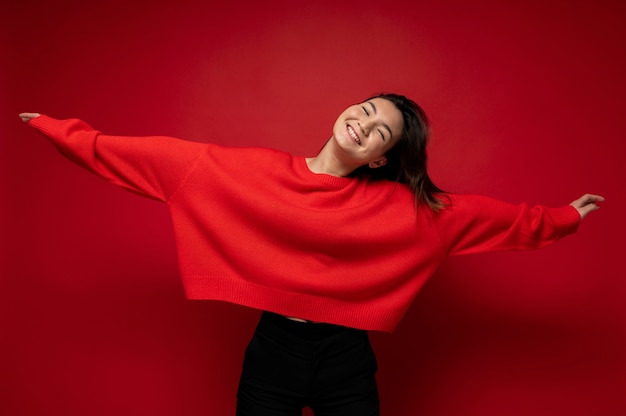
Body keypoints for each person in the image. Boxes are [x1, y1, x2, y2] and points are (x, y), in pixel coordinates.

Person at [19, 93, 603, 416]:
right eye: (367, 111)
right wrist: (55, 127)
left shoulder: (408, 210)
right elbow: (142, 157)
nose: (366, 125)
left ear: (381, 159)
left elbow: (490, 216)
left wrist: (566, 216)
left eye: (382, 133)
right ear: (346, 110)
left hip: (348, 362)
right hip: (273, 352)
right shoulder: (244, 171)